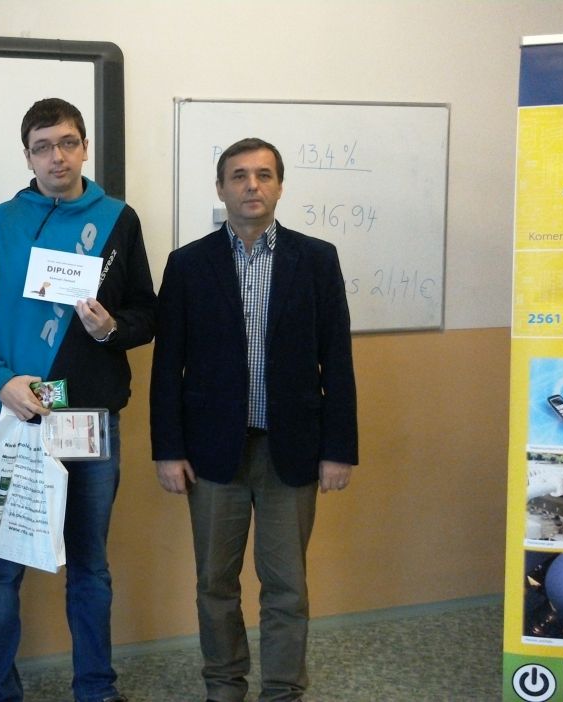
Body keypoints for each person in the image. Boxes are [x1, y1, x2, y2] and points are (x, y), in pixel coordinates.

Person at [0, 97, 156, 702]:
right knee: (1, 571)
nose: (56, 157)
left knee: (90, 566)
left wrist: (110, 329)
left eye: (67, 143)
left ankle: (96, 689)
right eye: (42, 147)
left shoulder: (119, 219)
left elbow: (147, 314)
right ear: (28, 156)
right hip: (17, 421)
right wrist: (0, 382)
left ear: (84, 147)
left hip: (88, 422)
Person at [149, 137, 358, 702]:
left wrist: (338, 449)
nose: (252, 186)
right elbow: (168, 366)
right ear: (221, 188)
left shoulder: (316, 259)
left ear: (280, 186)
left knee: (286, 585)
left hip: (292, 449)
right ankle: (224, 685)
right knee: (215, 582)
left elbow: (337, 359)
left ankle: (283, 689)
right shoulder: (188, 264)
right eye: (239, 175)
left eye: (264, 175)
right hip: (211, 453)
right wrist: (168, 450)